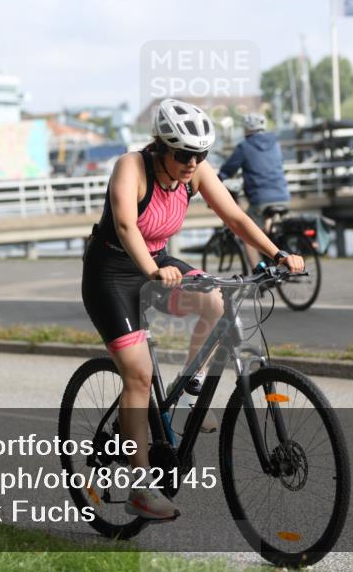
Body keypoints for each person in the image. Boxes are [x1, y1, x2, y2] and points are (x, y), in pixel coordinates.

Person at [81, 99, 304, 521]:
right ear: (160, 146)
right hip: (112, 272)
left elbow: (234, 217)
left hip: (157, 264)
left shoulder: (195, 173)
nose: (191, 163)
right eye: (182, 154)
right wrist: (151, 270)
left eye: (199, 154)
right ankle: (141, 489)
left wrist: (277, 253)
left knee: (216, 302)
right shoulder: (132, 166)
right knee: (139, 374)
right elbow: (126, 224)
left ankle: (187, 393)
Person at [217, 112, 291, 265]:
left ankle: (260, 272)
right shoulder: (275, 143)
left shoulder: (245, 146)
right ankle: (274, 260)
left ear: (246, 129)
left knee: (248, 235)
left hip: (261, 198)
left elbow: (227, 169)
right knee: (265, 228)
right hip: (283, 195)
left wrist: (217, 182)